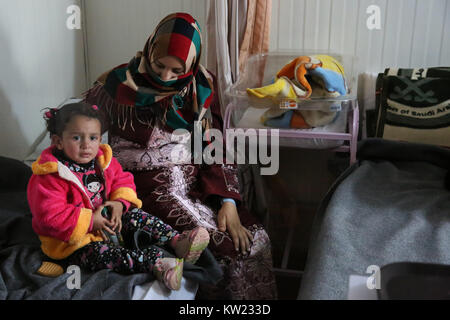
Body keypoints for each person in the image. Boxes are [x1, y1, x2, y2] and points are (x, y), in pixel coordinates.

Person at [84, 12, 277, 299]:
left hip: (196, 185)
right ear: (150, 49)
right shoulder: (115, 86)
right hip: (146, 189)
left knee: (255, 238)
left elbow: (213, 146)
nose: (165, 77)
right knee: (222, 249)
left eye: (176, 71)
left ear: (191, 65)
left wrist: (228, 203)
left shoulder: (199, 88)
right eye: (160, 66)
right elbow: (83, 134)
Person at [27, 102, 210, 291]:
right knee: (103, 255)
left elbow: (123, 181)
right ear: (58, 141)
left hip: (110, 222)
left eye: (93, 138)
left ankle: (176, 241)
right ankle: (157, 263)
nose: (86, 145)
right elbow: (49, 217)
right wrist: (90, 220)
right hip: (75, 242)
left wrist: (119, 203)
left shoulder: (102, 160)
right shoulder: (49, 176)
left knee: (138, 215)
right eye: (76, 138)